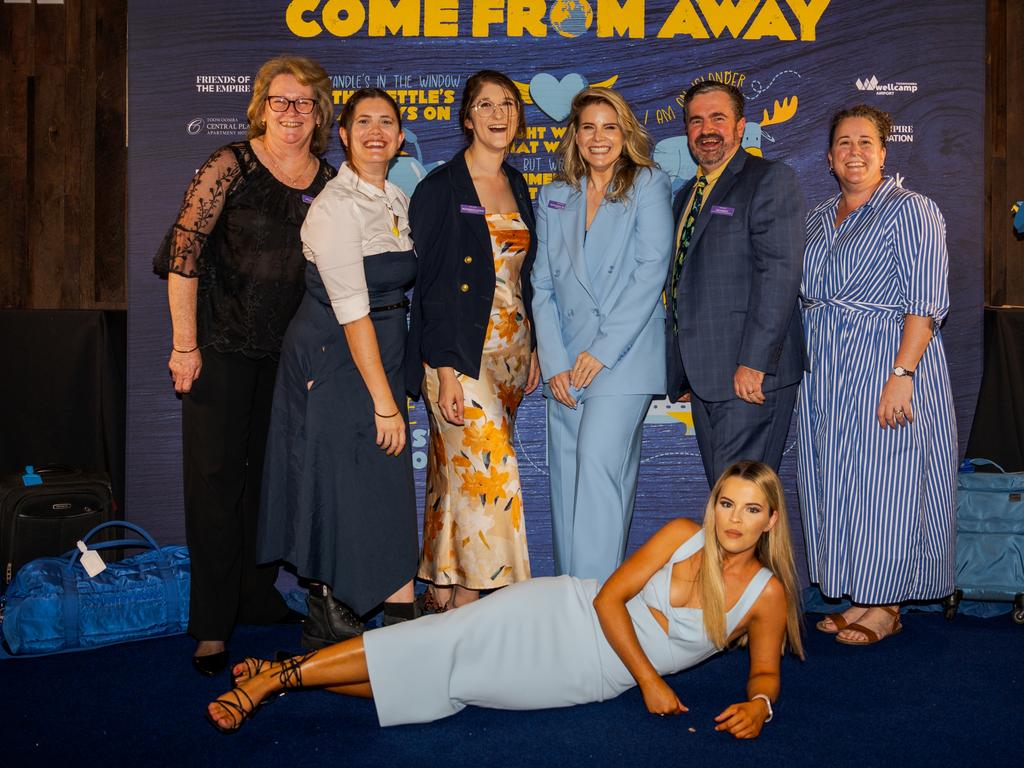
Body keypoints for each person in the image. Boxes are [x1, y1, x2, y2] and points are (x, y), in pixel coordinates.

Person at [207, 460, 804, 736]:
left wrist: (761, 706)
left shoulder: (765, 596)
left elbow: (766, 672)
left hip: (586, 675)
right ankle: (275, 679)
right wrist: (650, 680)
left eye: (751, 509)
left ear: (769, 521)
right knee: (436, 638)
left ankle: (284, 675)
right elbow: (608, 603)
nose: (734, 518)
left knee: (449, 687)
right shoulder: (681, 536)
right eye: (726, 503)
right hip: (563, 614)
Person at [153, 56, 335, 676]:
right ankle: (211, 625)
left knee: (267, 486)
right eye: (280, 102)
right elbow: (184, 254)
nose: (291, 114)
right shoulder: (229, 164)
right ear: (261, 107)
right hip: (220, 350)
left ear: (319, 112)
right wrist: (184, 345)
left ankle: (256, 597)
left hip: (286, 361)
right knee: (215, 486)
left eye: (303, 103)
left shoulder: (328, 180)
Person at [257, 89, 419, 649]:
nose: (376, 131)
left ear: (400, 138)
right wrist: (385, 402)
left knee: (383, 478)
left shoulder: (395, 197)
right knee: (335, 477)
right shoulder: (333, 207)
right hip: (336, 351)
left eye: (388, 123)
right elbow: (352, 312)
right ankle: (327, 606)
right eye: (363, 122)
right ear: (344, 135)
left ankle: (399, 605)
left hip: (382, 351)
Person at [799, 105, 957, 646]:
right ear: (829, 157)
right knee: (841, 483)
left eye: (866, 142)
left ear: (885, 153)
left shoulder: (913, 211)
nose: (855, 152)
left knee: (888, 482)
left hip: (887, 363)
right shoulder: (817, 219)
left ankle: (886, 603)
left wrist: (902, 372)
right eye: (844, 143)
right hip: (826, 375)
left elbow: (925, 302)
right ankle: (858, 593)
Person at [406, 71, 539, 612]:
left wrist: (534, 350)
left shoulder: (519, 183)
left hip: (512, 352)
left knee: (455, 470)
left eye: (507, 103)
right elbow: (430, 285)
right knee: (490, 471)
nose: (498, 113)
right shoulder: (439, 188)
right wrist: (440, 369)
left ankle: (443, 583)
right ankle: (483, 599)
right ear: (467, 118)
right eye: (485, 104)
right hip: (457, 355)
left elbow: (524, 279)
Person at [531, 87, 673, 581]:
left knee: (597, 468)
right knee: (568, 478)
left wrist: (603, 350)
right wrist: (553, 362)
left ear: (626, 133)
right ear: (574, 134)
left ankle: (597, 609)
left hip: (623, 356)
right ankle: (570, 600)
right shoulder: (552, 195)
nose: (599, 137)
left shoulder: (649, 184)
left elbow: (651, 270)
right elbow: (542, 284)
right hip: (566, 359)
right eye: (588, 126)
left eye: (610, 127)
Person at [665, 82, 805, 488]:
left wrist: (755, 362)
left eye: (718, 118)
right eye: (696, 120)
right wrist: (685, 371)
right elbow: (684, 283)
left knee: (742, 503)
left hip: (750, 377)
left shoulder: (768, 180)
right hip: (708, 379)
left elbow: (779, 274)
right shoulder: (686, 196)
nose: (706, 129)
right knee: (729, 500)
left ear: (740, 127)